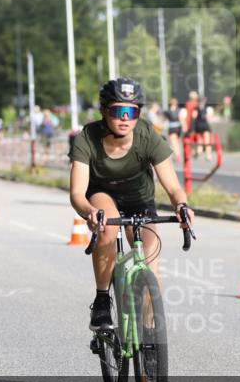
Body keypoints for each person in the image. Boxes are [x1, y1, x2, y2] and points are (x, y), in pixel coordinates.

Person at [69, 77, 192, 331]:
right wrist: (90, 212)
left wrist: (182, 206)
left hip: (139, 199)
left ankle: (149, 338)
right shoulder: (87, 138)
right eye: (118, 111)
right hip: (102, 195)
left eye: (132, 112)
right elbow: (77, 194)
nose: (125, 118)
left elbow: (173, 186)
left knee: (151, 264)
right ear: (104, 111)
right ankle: (102, 299)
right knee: (108, 227)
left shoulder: (147, 135)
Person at [163, 97, 183, 162]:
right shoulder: (179, 110)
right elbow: (181, 119)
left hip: (172, 128)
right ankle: (174, 156)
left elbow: (164, 119)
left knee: (174, 143)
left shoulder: (168, 111)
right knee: (175, 142)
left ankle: (177, 155)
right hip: (178, 128)